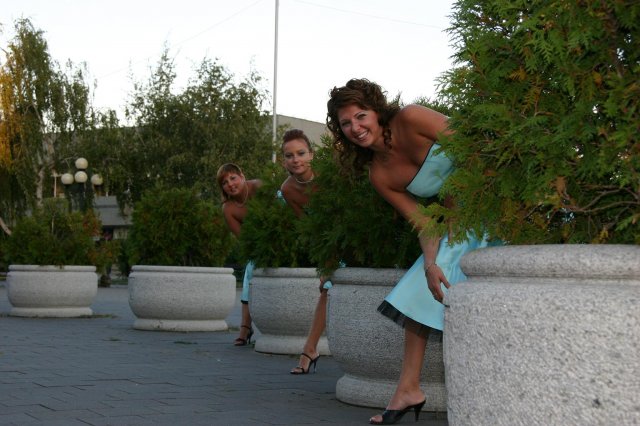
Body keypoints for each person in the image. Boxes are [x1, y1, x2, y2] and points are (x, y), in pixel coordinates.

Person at [326, 79, 494, 425]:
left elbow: (476, 149)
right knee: (426, 280)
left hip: (497, 199)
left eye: (360, 116)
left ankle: (411, 389)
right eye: (346, 123)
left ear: (376, 111)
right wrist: (430, 263)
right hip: (461, 224)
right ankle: (408, 388)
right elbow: (424, 223)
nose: (355, 127)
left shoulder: (412, 118)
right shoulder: (380, 174)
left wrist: (454, 200)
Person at [278, 128, 330, 375]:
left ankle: (310, 349)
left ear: (311, 154)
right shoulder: (288, 189)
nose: (295, 160)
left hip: (355, 234)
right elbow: (309, 227)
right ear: (283, 161)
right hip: (329, 243)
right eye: (289, 156)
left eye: (300, 153)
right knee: (327, 288)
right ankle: (310, 348)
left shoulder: (328, 176)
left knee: (329, 289)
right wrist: (325, 261)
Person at [217, 163, 263, 346]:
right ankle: (245, 327)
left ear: (242, 176)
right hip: (259, 244)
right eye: (224, 182)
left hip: (285, 232)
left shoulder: (258, 186)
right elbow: (245, 240)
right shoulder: (228, 208)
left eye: (233, 178)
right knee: (250, 268)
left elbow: (281, 211)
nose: (230, 184)